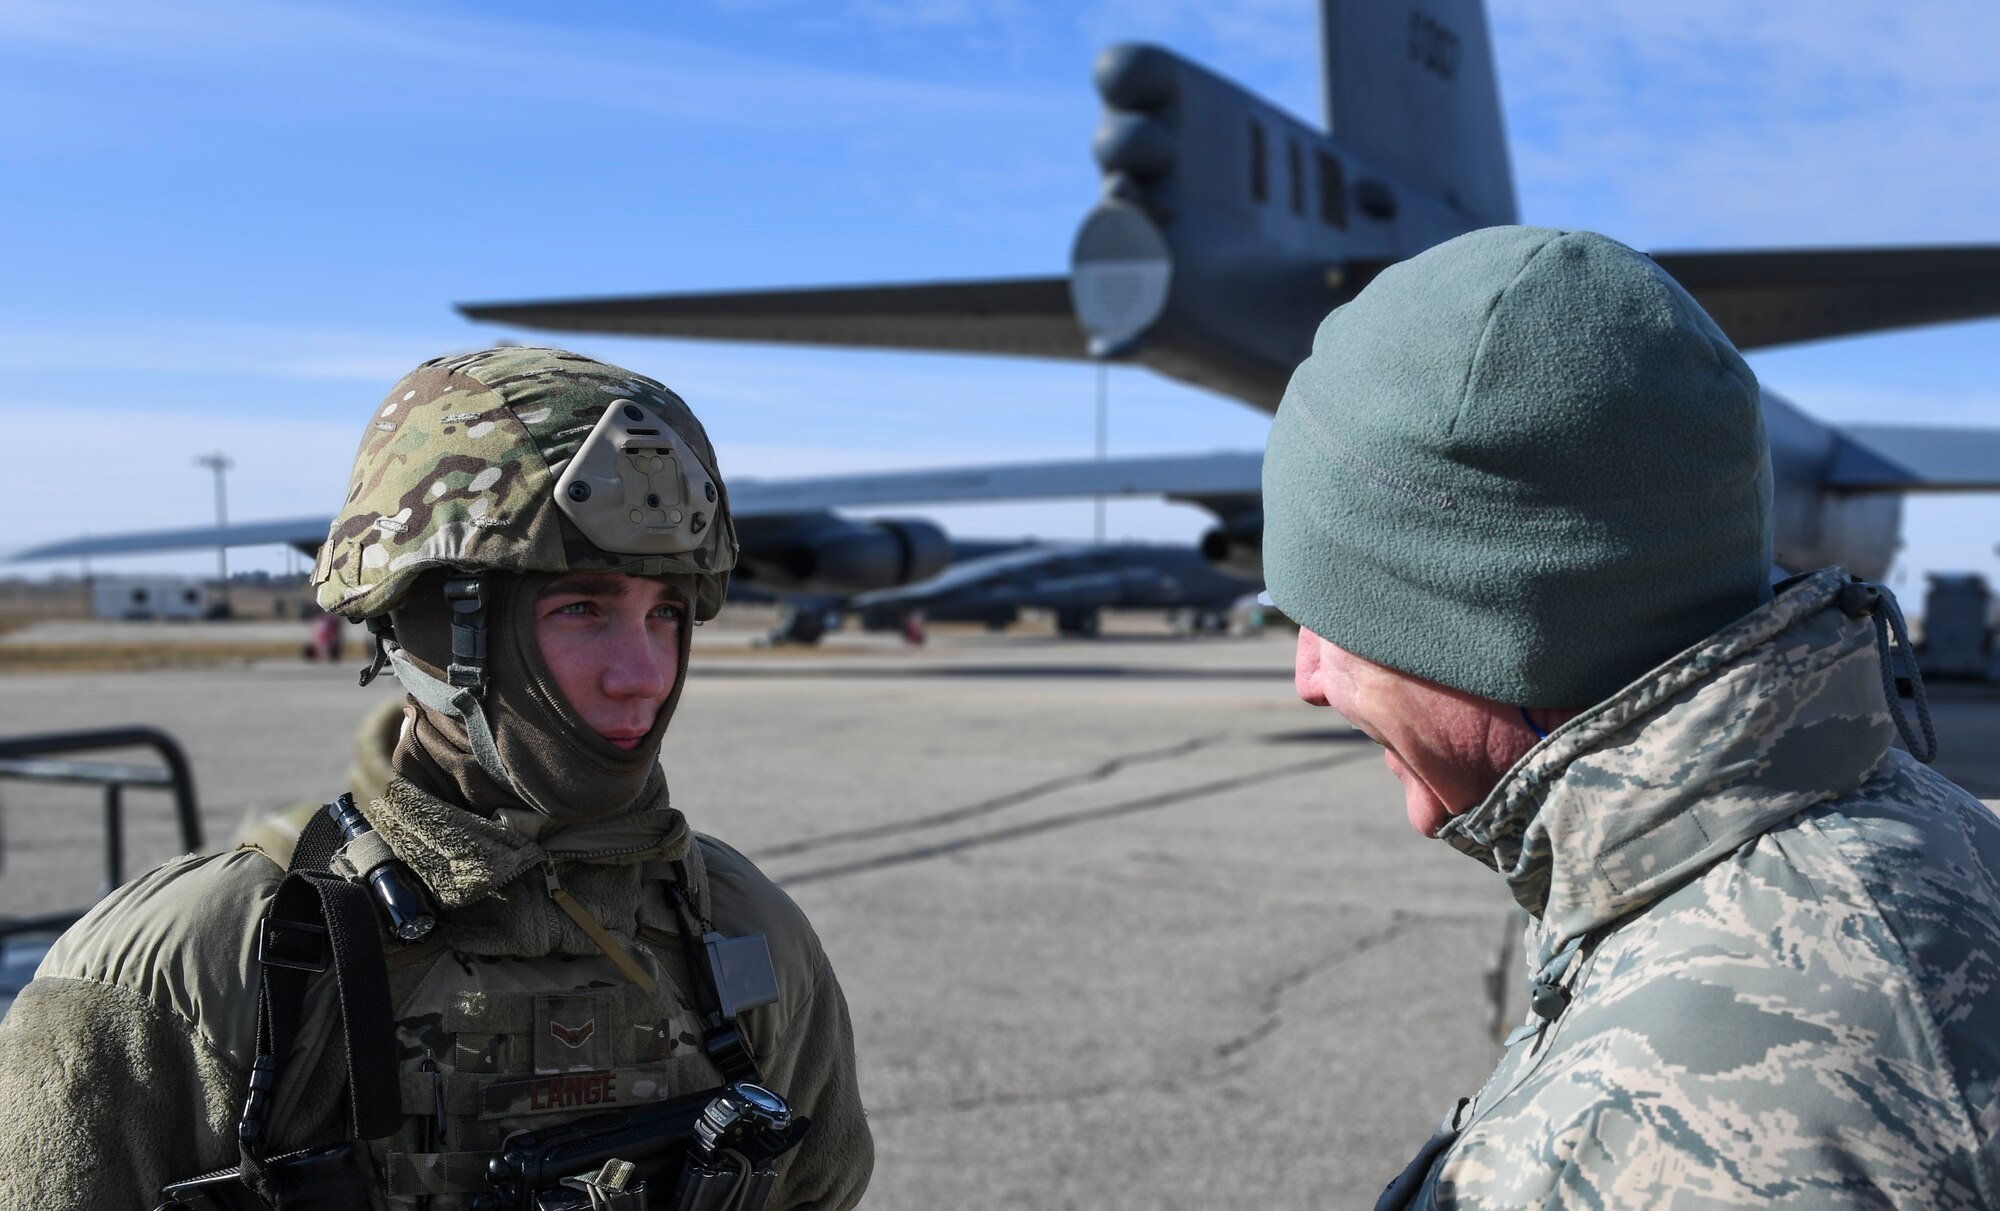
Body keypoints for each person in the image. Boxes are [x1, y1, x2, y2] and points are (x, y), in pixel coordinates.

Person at [0, 346, 875, 1209]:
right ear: (427, 630)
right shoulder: (204, 963)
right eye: (582, 609)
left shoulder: (744, 930)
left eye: (666, 615)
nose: (642, 674)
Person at [1261, 227, 2000, 1208]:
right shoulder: (1907, 823)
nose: (1305, 675)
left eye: (1336, 616)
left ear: (1487, 629)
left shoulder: (1701, 1122)